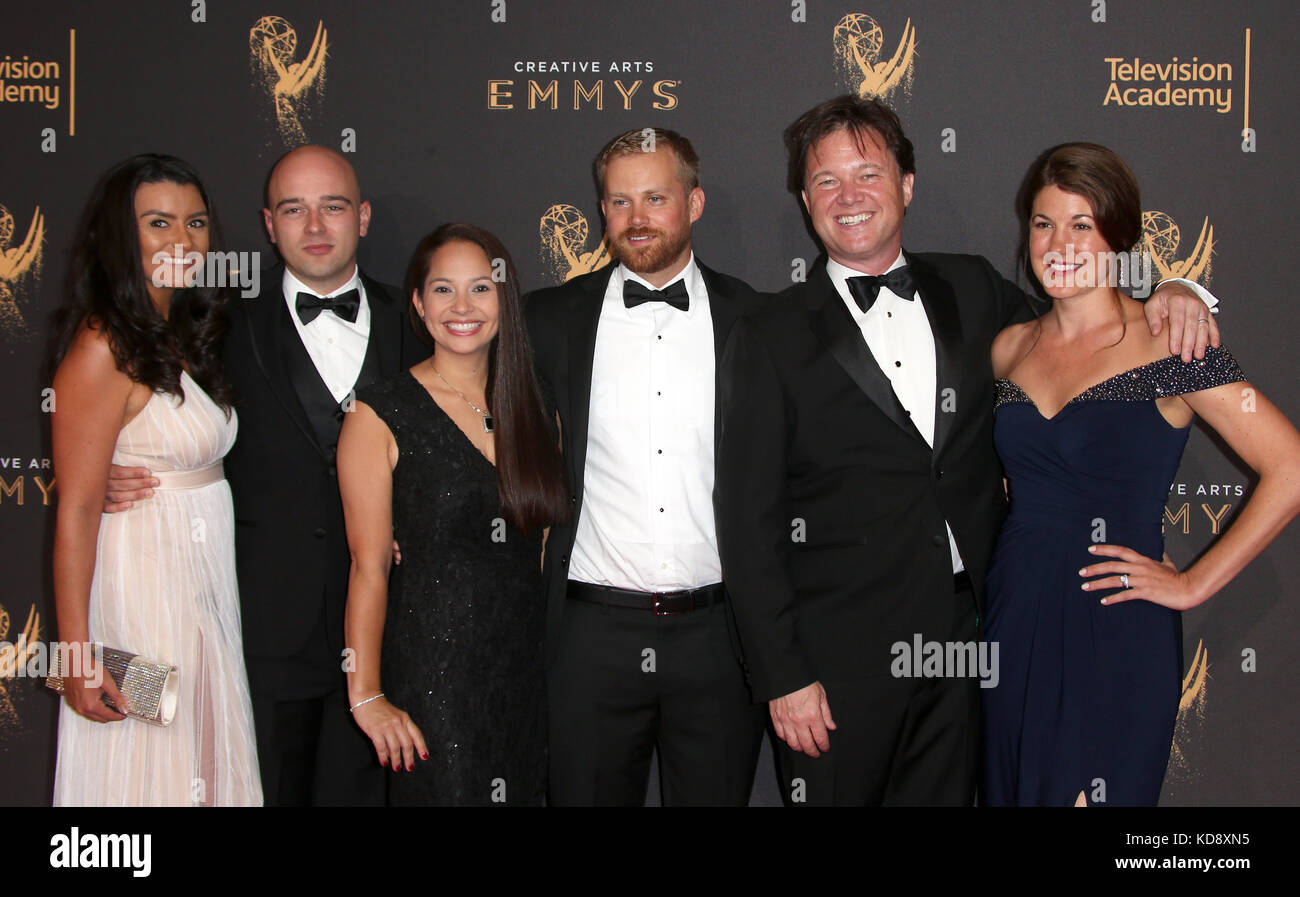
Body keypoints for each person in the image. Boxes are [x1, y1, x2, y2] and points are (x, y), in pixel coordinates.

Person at [714, 95, 1220, 806]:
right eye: (827, 180)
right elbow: (746, 521)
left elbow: (1084, 324)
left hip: (974, 649)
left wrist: (1177, 288)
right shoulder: (767, 332)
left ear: (907, 184)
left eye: (868, 172)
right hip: (833, 671)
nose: (849, 196)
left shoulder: (974, 289)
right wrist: (783, 676)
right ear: (804, 197)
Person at [981, 143, 1300, 806]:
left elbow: (1290, 467)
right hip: (1015, 618)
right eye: (1043, 223)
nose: (1058, 242)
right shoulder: (1009, 348)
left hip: (1116, 625)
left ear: (1119, 237)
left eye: (1081, 225)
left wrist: (1190, 583)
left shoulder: (1171, 343)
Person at [105, 146, 422, 805]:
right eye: (293, 209)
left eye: (332, 206)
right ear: (267, 224)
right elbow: (148, 418)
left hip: (398, 635)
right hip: (255, 635)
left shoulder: (426, 323)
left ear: (362, 218)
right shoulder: (212, 324)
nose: (314, 226)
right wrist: (102, 473)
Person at [525, 127, 768, 806]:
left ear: (694, 203)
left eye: (655, 198)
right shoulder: (546, 320)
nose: (636, 219)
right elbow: (482, 431)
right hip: (590, 637)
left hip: (720, 636)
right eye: (618, 201)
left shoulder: (756, 319)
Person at [49, 153, 261, 805]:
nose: (183, 240)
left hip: (201, 594)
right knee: (145, 760)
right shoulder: (101, 344)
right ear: (122, 233)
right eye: (159, 222)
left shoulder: (182, 332)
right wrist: (76, 658)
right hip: (141, 592)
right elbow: (78, 511)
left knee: (197, 749)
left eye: (196, 222)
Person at [339, 223, 568, 806]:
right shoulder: (380, 413)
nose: (462, 307)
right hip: (432, 680)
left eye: (480, 289)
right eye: (443, 290)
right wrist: (366, 696)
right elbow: (369, 568)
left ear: (504, 299)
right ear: (418, 302)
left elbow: (543, 549)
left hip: (527, 677)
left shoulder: (537, 402)